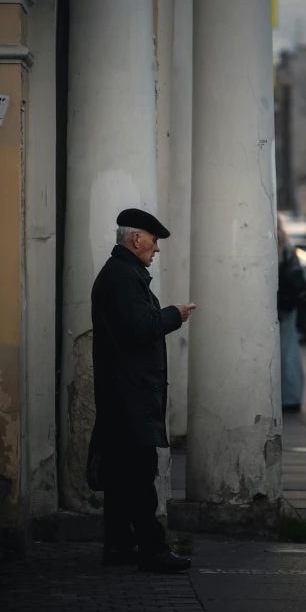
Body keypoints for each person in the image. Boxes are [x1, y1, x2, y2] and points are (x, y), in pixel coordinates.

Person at [88, 208, 196, 573]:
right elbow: (138, 328)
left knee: (121, 475)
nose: (157, 248)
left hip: (123, 392)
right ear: (136, 239)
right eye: (154, 240)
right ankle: (152, 548)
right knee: (138, 474)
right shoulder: (123, 277)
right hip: (129, 394)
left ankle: (119, 545)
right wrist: (172, 315)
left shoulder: (123, 273)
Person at [277, 215, 306, 413]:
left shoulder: (261, 242)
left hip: (271, 304)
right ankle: (292, 395)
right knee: (289, 349)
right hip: (288, 305)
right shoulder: (287, 245)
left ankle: (278, 394)